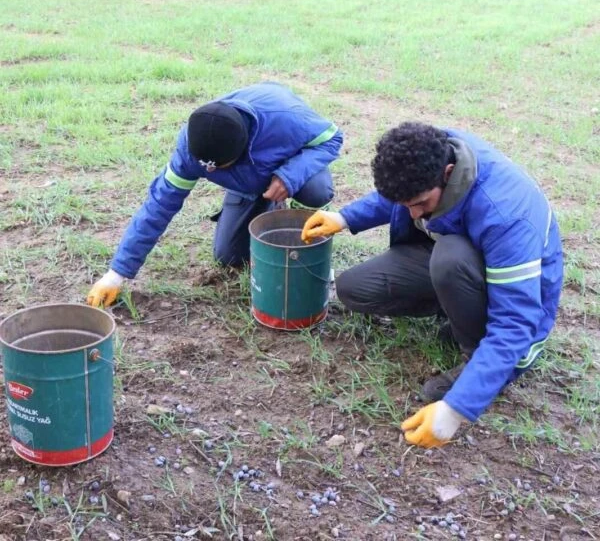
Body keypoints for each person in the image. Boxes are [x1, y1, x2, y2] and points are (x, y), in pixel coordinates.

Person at [302, 122, 563, 449]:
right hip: (455, 260)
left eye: (421, 203)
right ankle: (456, 309)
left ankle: (476, 358)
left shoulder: (506, 216)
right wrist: (345, 218)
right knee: (354, 287)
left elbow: (516, 323)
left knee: (451, 258)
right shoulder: (430, 153)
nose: (412, 213)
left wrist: (457, 409)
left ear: (448, 173)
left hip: (503, 294)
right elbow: (400, 196)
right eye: (405, 204)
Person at [87, 82, 343, 307]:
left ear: (242, 150)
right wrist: (116, 273)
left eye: (218, 167)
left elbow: (332, 138)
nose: (210, 171)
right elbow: (158, 207)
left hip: (291, 165)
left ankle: (298, 224)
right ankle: (264, 204)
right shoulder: (191, 148)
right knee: (228, 256)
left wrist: (289, 176)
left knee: (316, 189)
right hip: (247, 184)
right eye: (207, 167)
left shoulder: (286, 120)